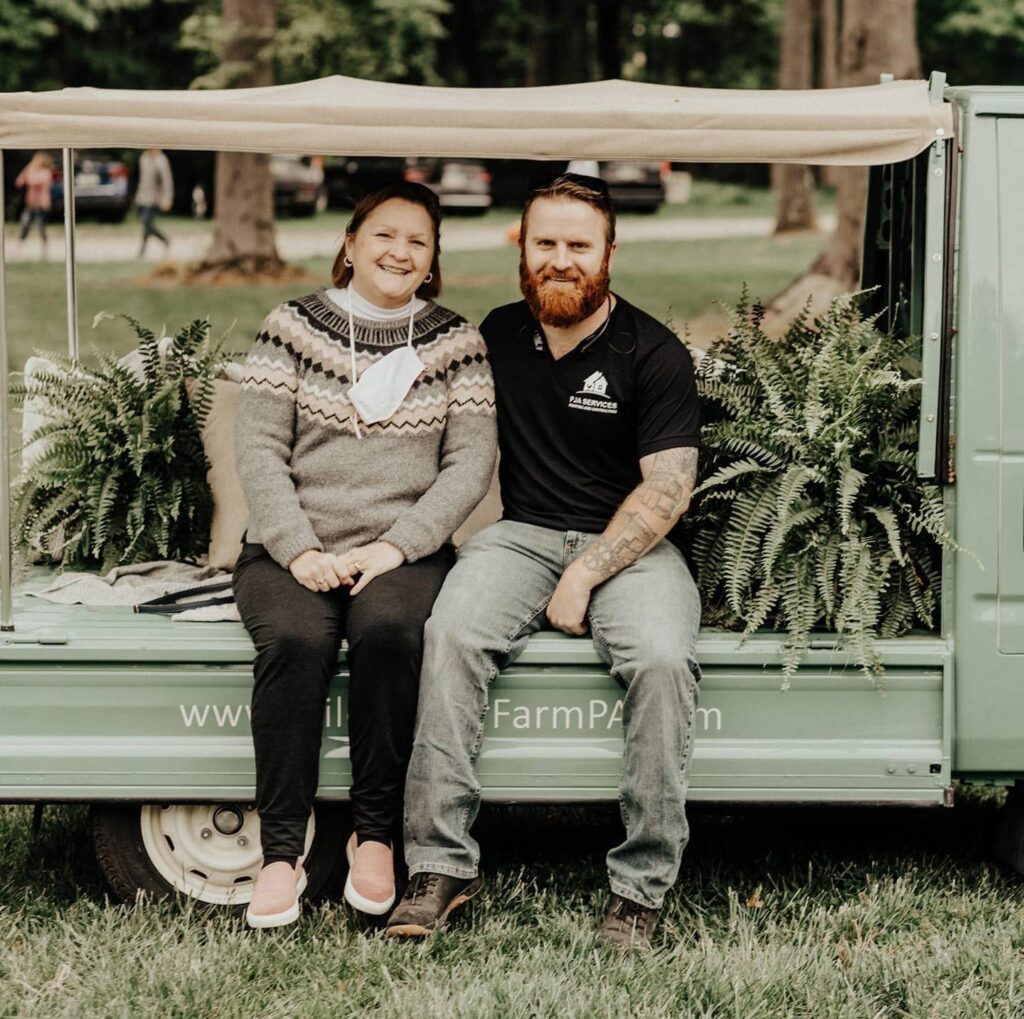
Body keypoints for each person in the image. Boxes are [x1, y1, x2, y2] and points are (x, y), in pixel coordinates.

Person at [386, 174, 702, 952]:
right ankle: (439, 866)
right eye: (545, 243)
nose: (561, 260)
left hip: (632, 548)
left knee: (662, 659)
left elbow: (668, 490)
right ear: (520, 248)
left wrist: (588, 569)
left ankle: (640, 887)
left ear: (610, 253)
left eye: (578, 246)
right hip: (520, 534)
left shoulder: (652, 352)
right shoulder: (492, 334)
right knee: (451, 634)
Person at [233, 181, 497, 929]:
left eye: (418, 240)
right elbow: (257, 447)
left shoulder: (456, 342)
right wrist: (298, 549)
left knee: (387, 632)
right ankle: (281, 849)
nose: (399, 251)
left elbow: (469, 466)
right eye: (384, 234)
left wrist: (398, 545)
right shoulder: (291, 327)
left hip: (403, 551)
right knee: (295, 636)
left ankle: (374, 833)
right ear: (351, 242)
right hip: (290, 548)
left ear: (433, 259)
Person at [15, 152, 54, 257]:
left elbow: (33, 182)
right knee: (25, 225)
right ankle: (19, 247)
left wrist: (30, 171)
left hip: (42, 204)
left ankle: (45, 249)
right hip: (31, 204)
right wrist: (27, 169)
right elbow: (19, 182)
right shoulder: (30, 170)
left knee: (41, 226)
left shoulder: (46, 172)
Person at [135, 149, 173, 256]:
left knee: (146, 222)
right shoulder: (144, 158)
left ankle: (143, 248)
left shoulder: (162, 160)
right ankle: (164, 240)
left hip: (153, 198)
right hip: (141, 196)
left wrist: (167, 199)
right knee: (146, 224)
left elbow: (167, 181)